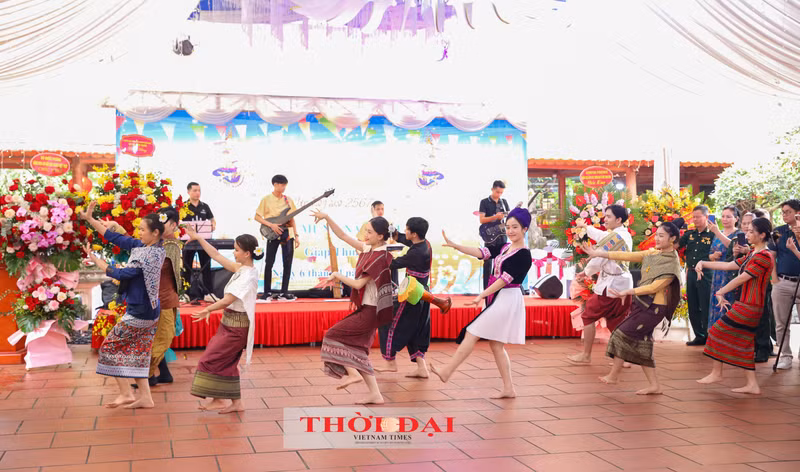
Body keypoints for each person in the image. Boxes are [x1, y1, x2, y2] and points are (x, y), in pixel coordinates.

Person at [431, 207, 533, 399]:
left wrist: (480, 296)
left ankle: (447, 371)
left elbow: (504, 279)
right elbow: (481, 252)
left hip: (507, 299)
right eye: (508, 227)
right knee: (496, 346)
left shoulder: (523, 255)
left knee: (472, 331)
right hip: (497, 298)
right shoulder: (505, 247)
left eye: (515, 227)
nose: (510, 231)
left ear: (525, 229)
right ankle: (509, 388)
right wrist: (456, 246)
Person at [80, 204, 166, 409]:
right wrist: (91, 220)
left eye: (143, 230)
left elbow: (121, 274)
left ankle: (127, 393)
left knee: (109, 347)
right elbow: (116, 238)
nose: (139, 233)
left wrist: (96, 260)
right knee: (137, 353)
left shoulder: (149, 255)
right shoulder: (147, 247)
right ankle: (144, 398)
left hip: (141, 311)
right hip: (147, 309)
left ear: (155, 233)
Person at [582, 223, 682, 395]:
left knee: (621, 333)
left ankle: (614, 375)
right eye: (656, 235)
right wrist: (598, 253)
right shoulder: (652, 253)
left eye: (661, 236)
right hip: (644, 304)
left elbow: (654, 287)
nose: (657, 238)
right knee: (643, 346)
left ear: (672, 238)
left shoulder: (672, 263)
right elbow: (627, 255)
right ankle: (654, 385)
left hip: (654, 308)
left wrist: (628, 291)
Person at [311, 210, 394, 405]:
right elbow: (343, 236)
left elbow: (357, 285)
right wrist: (327, 217)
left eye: (370, 232)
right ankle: (376, 394)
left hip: (371, 310)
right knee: (358, 350)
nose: (366, 235)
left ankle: (353, 373)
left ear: (381, 236)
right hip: (368, 308)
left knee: (332, 335)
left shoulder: (381, 257)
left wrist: (336, 275)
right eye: (366, 231)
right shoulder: (369, 249)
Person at [105, 207, 183, 389]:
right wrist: (114, 228)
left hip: (163, 300)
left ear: (174, 225)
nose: (160, 227)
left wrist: (108, 268)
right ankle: (161, 374)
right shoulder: (156, 243)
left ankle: (146, 375)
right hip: (152, 300)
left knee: (160, 340)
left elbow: (139, 246)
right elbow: (137, 243)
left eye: (164, 223)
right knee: (152, 339)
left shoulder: (170, 246)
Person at [186, 226, 261, 413]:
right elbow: (217, 256)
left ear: (247, 253)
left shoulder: (247, 276)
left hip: (237, 328)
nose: (234, 253)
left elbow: (228, 300)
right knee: (227, 363)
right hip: (230, 324)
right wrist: (198, 239)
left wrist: (208, 309)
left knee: (210, 358)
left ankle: (219, 399)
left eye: (236, 250)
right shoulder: (243, 269)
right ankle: (235, 403)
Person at [696, 217, 774, 394]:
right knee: (744, 342)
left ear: (762, 235)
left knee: (716, 331)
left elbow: (742, 277)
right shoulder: (753, 254)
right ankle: (752, 384)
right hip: (746, 304)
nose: (747, 234)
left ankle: (717, 373)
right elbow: (729, 265)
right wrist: (702, 263)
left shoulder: (764, 256)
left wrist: (720, 291)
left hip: (750, 305)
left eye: (751, 231)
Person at [567, 205, 633, 365]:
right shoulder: (622, 234)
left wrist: (586, 273)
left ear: (619, 220)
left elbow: (600, 258)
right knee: (616, 321)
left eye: (609, 216)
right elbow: (601, 236)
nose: (605, 219)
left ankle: (586, 355)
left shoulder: (616, 236)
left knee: (588, 315)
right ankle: (623, 358)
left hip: (611, 286)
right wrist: (586, 227)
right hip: (622, 284)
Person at [377, 217, 434, 378]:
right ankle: (422, 369)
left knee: (388, 321)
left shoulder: (416, 253)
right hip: (422, 294)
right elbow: (404, 239)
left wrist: (375, 251)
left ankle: (390, 362)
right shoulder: (425, 244)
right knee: (416, 329)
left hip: (411, 295)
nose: (405, 232)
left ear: (414, 233)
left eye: (407, 229)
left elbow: (391, 263)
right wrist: (394, 233)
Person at [254, 174, 300, 300]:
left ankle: (284, 292)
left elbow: (292, 219)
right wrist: (271, 225)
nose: (283, 187)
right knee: (269, 262)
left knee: (288, 262)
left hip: (287, 232)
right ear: (274, 184)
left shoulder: (288, 200)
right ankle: (267, 292)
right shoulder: (266, 199)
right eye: (280, 184)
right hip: (272, 231)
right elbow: (257, 217)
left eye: (285, 185)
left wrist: (296, 235)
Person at [770, 199, 800, 369]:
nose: (784, 215)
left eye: (788, 211)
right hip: (783, 282)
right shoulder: (778, 232)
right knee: (781, 323)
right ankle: (785, 356)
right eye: (783, 212)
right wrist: (774, 279)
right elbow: (772, 256)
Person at [679, 205, 714, 346]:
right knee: (693, 305)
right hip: (691, 273)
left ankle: (709, 335)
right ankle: (699, 335)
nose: (695, 219)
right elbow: (676, 245)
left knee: (705, 304)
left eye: (698, 217)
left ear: (706, 217)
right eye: (693, 217)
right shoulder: (689, 234)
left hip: (706, 273)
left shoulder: (713, 234)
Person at [707, 206, 743, 326]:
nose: (725, 219)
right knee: (716, 302)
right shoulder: (718, 233)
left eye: (729, 216)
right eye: (723, 216)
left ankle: (727, 336)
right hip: (717, 274)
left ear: (736, 219)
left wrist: (716, 231)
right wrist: (712, 256)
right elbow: (710, 254)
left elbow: (734, 247)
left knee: (728, 303)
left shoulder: (740, 234)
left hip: (731, 274)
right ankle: (714, 335)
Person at [182, 182, 216, 303]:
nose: (197, 193)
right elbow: (178, 223)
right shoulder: (183, 206)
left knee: (206, 267)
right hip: (188, 242)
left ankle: (208, 293)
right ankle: (184, 293)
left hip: (203, 241)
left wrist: (212, 226)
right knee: (186, 267)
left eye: (199, 190)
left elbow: (212, 220)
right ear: (188, 192)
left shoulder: (204, 206)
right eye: (195, 190)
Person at [478, 180, 510, 290]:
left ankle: (498, 287)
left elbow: (509, 217)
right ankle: (486, 289)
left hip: (502, 235)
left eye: (501, 192)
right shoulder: (484, 202)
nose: (499, 194)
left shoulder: (504, 202)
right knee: (487, 261)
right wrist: (495, 217)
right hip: (489, 235)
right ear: (492, 189)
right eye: (497, 192)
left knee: (502, 261)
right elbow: (482, 220)